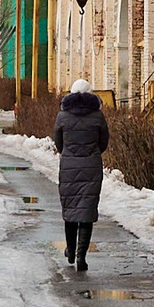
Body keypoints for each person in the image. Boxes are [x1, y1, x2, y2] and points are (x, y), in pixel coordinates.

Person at [51, 84, 108, 271]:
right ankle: (81, 256)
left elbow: (58, 142)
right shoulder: (98, 116)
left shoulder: (62, 116)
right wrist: (92, 153)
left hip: (69, 166)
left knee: (70, 211)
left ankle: (70, 250)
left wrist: (68, 153)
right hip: (92, 167)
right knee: (86, 212)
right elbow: (103, 142)